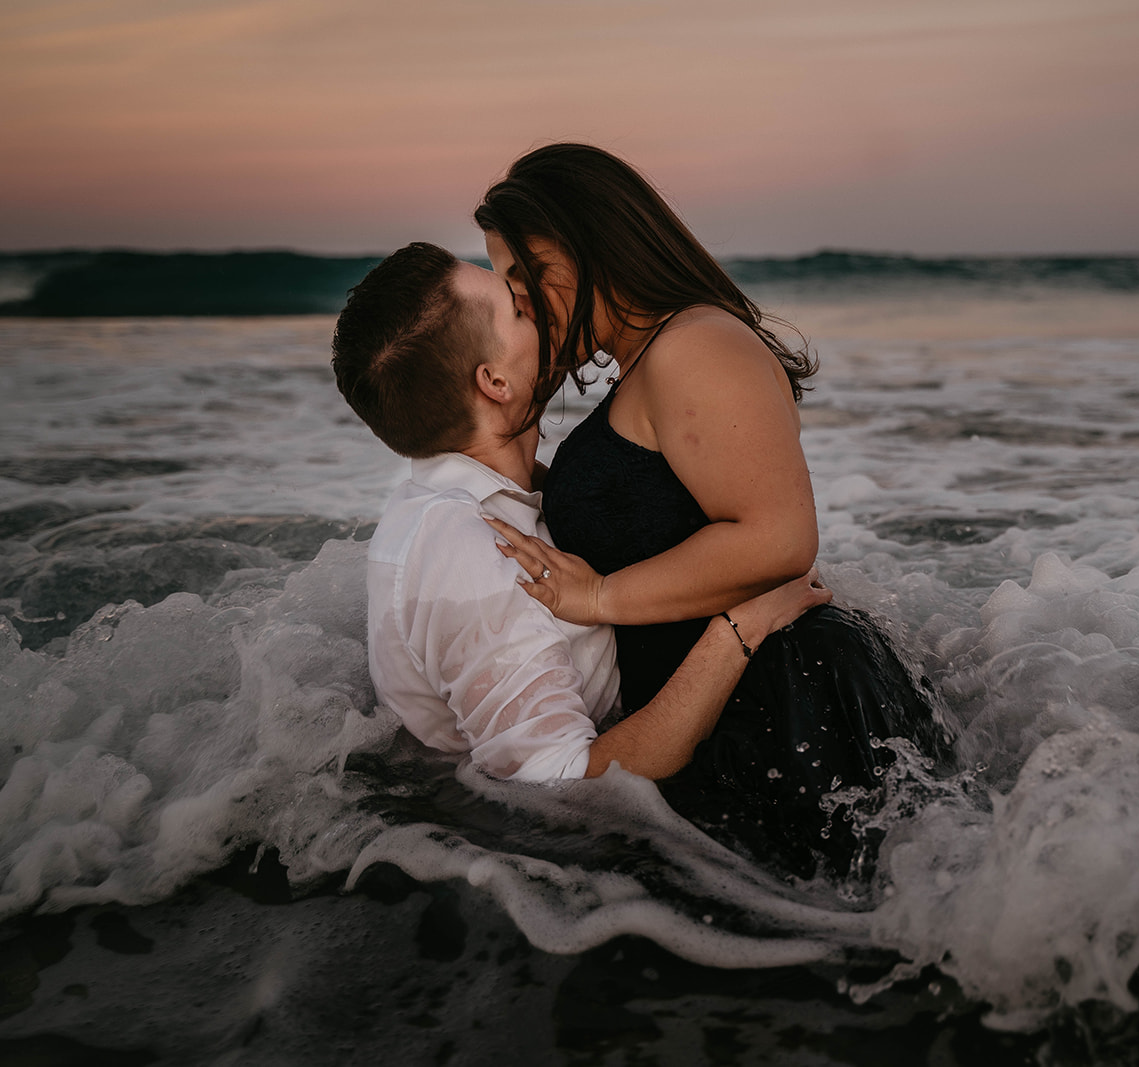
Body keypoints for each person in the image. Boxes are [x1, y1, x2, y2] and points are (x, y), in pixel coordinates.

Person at [472, 144, 949, 873]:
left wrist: (598, 596)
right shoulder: (655, 358)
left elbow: (780, 538)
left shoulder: (693, 345)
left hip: (785, 700)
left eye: (522, 274)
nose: (515, 303)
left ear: (587, 242)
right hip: (739, 703)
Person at [331, 241, 831, 784]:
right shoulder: (470, 551)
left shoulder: (493, 503)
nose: (537, 302)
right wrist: (740, 628)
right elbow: (564, 786)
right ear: (494, 382)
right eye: (518, 308)